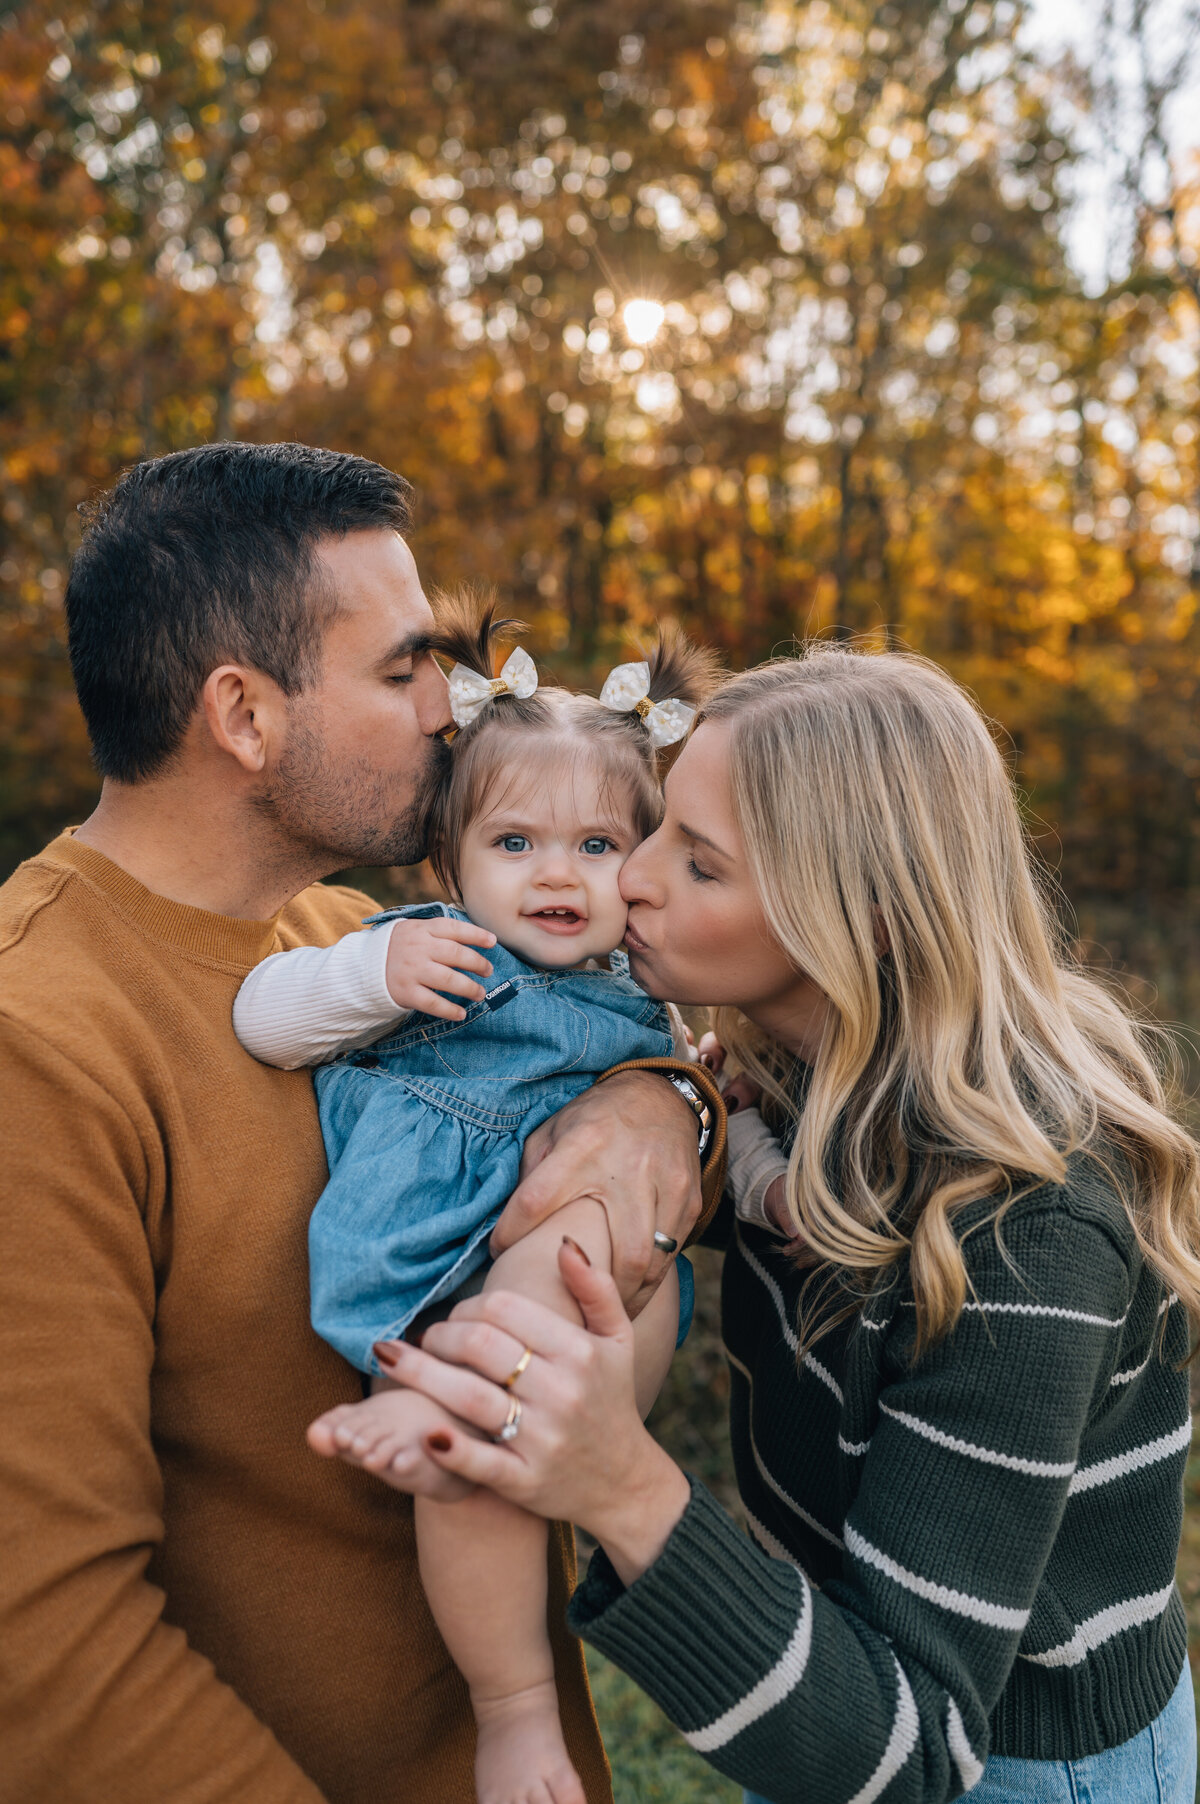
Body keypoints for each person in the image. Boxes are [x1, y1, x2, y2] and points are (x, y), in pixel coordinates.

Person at [0, 442, 724, 1804]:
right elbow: (41, 1644)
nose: (452, 713)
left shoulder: (373, 938)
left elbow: (611, 1087)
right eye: (402, 672)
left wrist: (655, 1106)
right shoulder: (36, 1042)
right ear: (245, 715)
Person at [368, 645, 1200, 1804]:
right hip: (816, 1681)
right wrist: (658, 1099)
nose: (634, 880)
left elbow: (916, 1752)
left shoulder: (1029, 1231)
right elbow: (687, 1111)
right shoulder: (797, 1070)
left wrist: (621, 1483)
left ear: (847, 917)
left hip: (1006, 1758)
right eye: (653, 829)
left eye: (697, 863)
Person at [231, 597, 719, 1804]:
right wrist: (362, 972)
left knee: (530, 1341)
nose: (558, 873)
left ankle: (471, 1440)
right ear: (448, 863)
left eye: (599, 847)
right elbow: (264, 1019)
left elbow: (720, 1123)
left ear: (643, 868)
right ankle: (516, 1718)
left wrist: (731, 1145)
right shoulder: (428, 949)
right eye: (515, 845)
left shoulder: (649, 995)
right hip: (426, 1281)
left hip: (586, 1301)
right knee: (472, 1472)